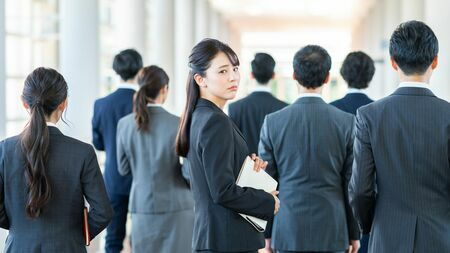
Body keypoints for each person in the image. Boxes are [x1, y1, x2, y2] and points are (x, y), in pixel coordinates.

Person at [349, 20, 450, 253]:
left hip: (387, 237)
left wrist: (370, 225)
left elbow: (360, 191)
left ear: (393, 63)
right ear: (435, 60)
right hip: (441, 238)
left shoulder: (369, 116)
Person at [175, 38, 280, 253]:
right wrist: (268, 201)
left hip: (216, 238)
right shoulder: (215, 121)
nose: (233, 77)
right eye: (222, 71)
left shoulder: (201, 116)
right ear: (200, 79)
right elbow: (222, 191)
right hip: (226, 241)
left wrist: (245, 165)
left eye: (235, 68)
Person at [259, 45, 360, 253]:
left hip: (288, 229)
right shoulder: (347, 122)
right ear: (327, 78)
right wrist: (353, 233)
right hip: (333, 229)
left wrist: (267, 234)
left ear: (294, 76)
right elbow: (351, 183)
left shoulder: (273, 122)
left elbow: (266, 183)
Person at [0, 67, 113, 252]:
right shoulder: (83, 152)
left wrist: (20, 228)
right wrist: (76, 235)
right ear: (64, 103)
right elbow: (103, 212)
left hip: (19, 247)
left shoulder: (4, 149)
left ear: (24, 103)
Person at [116, 65, 194, 253]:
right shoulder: (180, 123)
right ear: (164, 90)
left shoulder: (125, 124)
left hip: (142, 207)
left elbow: (123, 169)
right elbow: (189, 172)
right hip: (178, 206)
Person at [92, 49, 142, 253]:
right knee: (141, 237)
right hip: (142, 178)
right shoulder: (144, 103)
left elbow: (99, 143)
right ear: (140, 70)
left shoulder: (102, 104)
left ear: (116, 71)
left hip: (113, 178)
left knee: (113, 238)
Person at [330, 51, 375, 253]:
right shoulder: (378, 110)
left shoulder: (331, 110)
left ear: (343, 74)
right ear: (370, 76)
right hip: (372, 205)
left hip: (337, 204)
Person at [229, 52, 288, 154]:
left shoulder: (235, 108)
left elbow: (233, 146)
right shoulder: (285, 108)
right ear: (273, 76)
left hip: (244, 168)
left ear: (251, 75)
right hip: (273, 169)